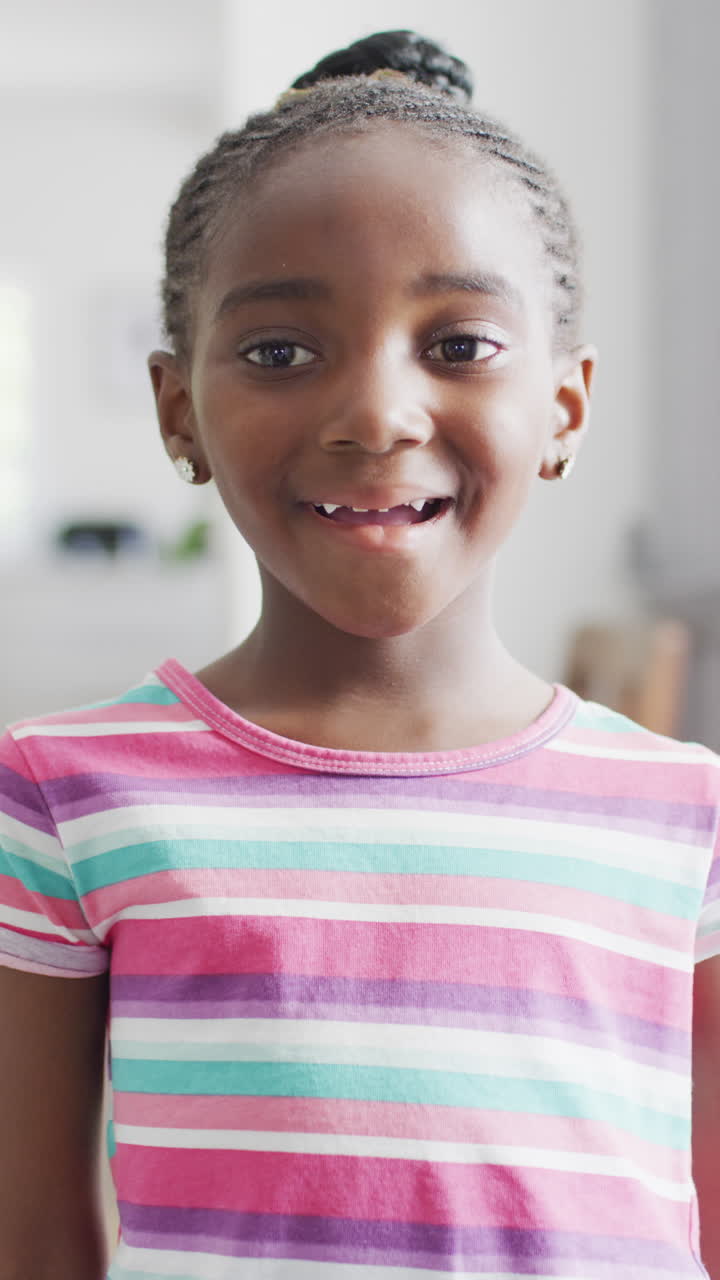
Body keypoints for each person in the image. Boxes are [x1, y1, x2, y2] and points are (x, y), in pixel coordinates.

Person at [0, 28, 718, 1280]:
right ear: (182, 410)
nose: (377, 413)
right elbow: (32, 1238)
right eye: (281, 351)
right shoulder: (65, 793)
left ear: (565, 406)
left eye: (459, 345)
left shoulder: (684, 815)